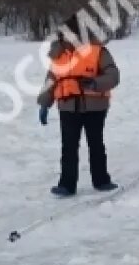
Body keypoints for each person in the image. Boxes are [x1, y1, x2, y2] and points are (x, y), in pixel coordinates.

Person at [37, 15, 121, 197]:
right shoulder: (59, 55)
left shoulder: (98, 51)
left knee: (95, 144)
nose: (68, 38)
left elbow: (113, 76)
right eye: (65, 34)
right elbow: (51, 80)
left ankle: (101, 180)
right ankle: (66, 185)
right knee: (68, 146)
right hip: (67, 106)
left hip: (95, 106)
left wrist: (95, 83)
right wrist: (45, 103)